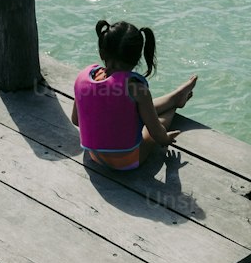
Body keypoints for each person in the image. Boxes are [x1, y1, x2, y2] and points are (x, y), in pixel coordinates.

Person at [71, 19, 197, 171]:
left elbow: (76, 120)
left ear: (102, 51)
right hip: (126, 161)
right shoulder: (136, 88)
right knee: (155, 123)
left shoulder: (84, 76)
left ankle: (176, 96)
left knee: (134, 108)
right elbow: (156, 132)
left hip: (93, 155)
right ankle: (174, 105)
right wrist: (166, 139)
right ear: (138, 58)